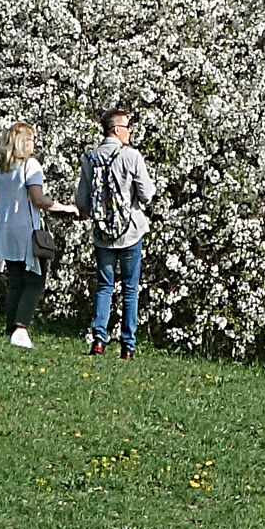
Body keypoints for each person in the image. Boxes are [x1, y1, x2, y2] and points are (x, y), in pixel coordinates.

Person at [79, 106, 158, 358]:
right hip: (130, 230)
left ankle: (99, 340)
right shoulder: (131, 156)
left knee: (104, 286)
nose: (130, 132)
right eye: (127, 127)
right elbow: (146, 195)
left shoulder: (90, 158)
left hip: (102, 233)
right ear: (116, 129)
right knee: (130, 288)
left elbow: (82, 201)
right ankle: (127, 346)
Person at [0, 121, 64, 348]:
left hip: (5, 230)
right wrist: (64, 207)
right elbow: (38, 199)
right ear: (23, 143)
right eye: (30, 140)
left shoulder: (2, 168)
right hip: (26, 231)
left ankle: (11, 326)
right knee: (35, 280)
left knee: (15, 281)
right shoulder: (31, 166)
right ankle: (21, 327)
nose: (34, 144)